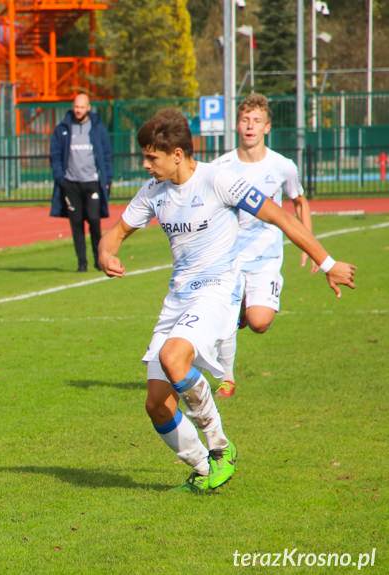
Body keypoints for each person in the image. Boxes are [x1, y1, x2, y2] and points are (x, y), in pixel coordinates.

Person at [99, 109, 355, 493]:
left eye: (152, 157)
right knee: (156, 405)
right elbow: (115, 232)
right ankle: (204, 467)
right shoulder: (153, 192)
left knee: (173, 357)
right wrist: (107, 254)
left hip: (218, 290)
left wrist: (328, 262)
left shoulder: (218, 180)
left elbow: (281, 218)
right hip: (178, 297)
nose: (145, 164)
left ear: (178, 155)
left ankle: (220, 447)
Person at [211, 93, 313, 398]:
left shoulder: (283, 166)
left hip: (266, 258)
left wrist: (308, 244)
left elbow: (299, 201)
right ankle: (226, 379)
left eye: (256, 121)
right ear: (237, 125)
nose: (249, 126)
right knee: (224, 320)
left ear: (267, 127)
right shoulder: (221, 166)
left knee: (259, 322)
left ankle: (246, 308)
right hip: (229, 257)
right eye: (245, 120)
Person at [49, 92, 113, 272]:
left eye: (82, 107)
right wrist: (60, 178)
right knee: (76, 223)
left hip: (92, 181)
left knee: (94, 220)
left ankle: (98, 258)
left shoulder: (97, 128)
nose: (78, 110)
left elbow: (107, 155)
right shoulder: (62, 128)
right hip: (71, 183)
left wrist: (107, 178)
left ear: (88, 108)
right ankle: (82, 263)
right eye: (76, 106)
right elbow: (55, 155)